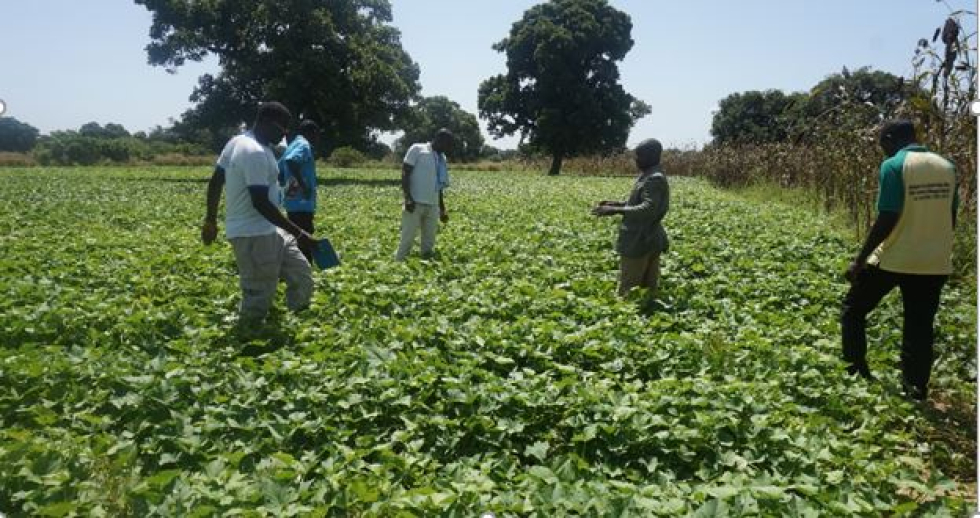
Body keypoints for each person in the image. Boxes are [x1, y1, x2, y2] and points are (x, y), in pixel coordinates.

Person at [841, 119, 959, 402]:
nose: (882, 149)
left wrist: (860, 260)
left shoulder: (894, 165)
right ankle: (915, 389)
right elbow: (950, 218)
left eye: (882, 142)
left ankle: (856, 372)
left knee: (853, 310)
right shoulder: (947, 167)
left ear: (892, 138)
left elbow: (888, 217)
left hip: (895, 259)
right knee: (919, 327)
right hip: (934, 263)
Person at [201, 102, 315, 322]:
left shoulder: (241, 142)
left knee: (301, 273)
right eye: (282, 127)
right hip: (253, 234)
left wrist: (211, 220)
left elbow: (216, 182)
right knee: (258, 294)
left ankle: (300, 325)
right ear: (264, 122)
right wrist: (300, 233)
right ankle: (248, 335)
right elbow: (260, 203)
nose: (284, 134)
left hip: (270, 230)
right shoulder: (253, 152)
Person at [592, 139, 670, 297]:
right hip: (648, 238)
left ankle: (627, 319)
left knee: (629, 290)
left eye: (639, 156)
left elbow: (648, 208)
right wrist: (618, 203)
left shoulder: (654, 178)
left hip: (640, 240)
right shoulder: (649, 175)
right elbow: (641, 202)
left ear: (651, 156)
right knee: (648, 289)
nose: (636, 159)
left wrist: (615, 210)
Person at [394, 129, 453, 261]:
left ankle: (425, 266)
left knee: (429, 242)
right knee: (407, 239)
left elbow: (439, 184)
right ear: (439, 139)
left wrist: (442, 208)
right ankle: (398, 264)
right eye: (447, 144)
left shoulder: (442, 157)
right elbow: (405, 173)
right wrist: (408, 198)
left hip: (432, 205)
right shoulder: (417, 149)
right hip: (414, 203)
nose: (448, 148)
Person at [278, 119, 321, 263]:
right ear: (311, 133)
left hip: (292, 201)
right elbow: (291, 161)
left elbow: (279, 169)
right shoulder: (304, 145)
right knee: (304, 237)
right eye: (316, 134)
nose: (317, 138)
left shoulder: (292, 145)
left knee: (294, 236)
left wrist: (286, 183)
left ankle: (291, 268)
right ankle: (305, 271)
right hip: (302, 202)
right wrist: (303, 185)